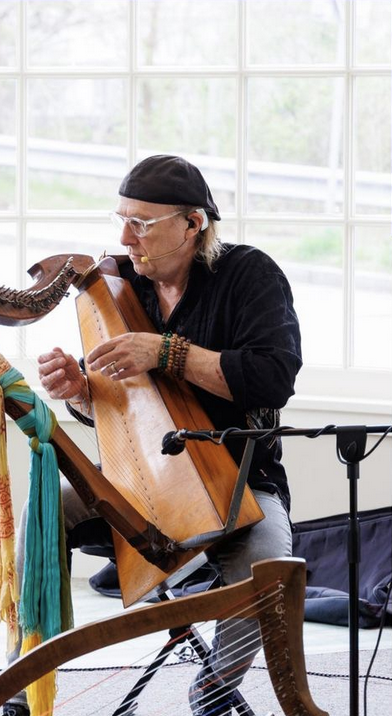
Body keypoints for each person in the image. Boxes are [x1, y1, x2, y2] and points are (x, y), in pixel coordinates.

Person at [24, 155, 302, 716]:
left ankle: (216, 687)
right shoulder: (122, 287)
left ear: (193, 223)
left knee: (268, 561)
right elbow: (123, 410)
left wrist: (168, 353)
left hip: (240, 478)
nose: (126, 238)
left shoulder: (249, 275)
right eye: (122, 220)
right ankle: (26, 678)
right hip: (141, 480)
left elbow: (273, 377)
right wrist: (80, 391)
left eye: (142, 223)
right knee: (46, 506)